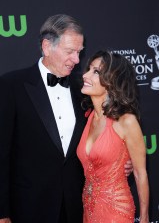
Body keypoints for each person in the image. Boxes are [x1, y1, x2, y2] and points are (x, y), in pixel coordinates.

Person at [0, 15, 132, 223]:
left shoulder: (84, 89)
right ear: (46, 46)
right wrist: (2, 212)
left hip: (76, 206)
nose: (77, 60)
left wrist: (123, 159)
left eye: (79, 52)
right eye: (70, 52)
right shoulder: (11, 85)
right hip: (29, 207)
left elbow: (107, 130)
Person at [77, 50, 149, 223]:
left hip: (116, 211)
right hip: (88, 210)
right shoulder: (87, 117)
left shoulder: (126, 121)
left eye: (96, 72)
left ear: (111, 81)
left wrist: (145, 218)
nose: (85, 75)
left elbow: (140, 174)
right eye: (89, 69)